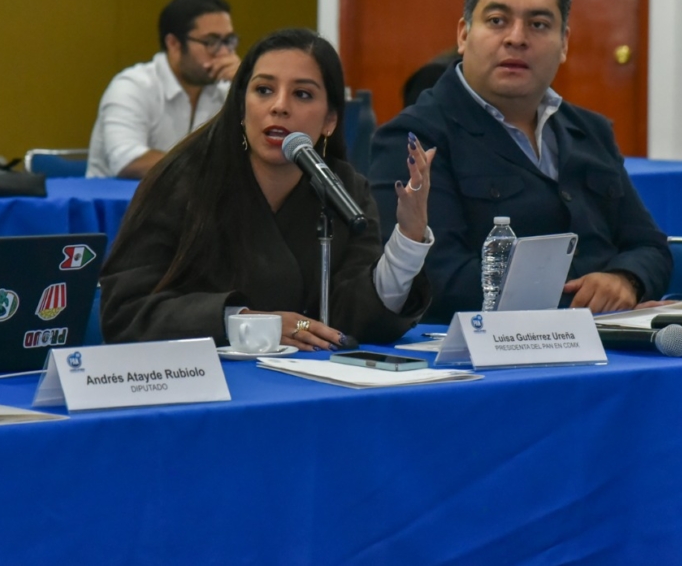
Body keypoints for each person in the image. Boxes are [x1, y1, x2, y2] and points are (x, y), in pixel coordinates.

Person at [368, 0, 671, 324]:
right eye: (497, 21)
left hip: (611, 335)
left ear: (564, 43)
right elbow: (435, 279)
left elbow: (650, 246)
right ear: (464, 34)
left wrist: (625, 280)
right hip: (492, 347)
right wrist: (582, 304)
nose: (516, 38)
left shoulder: (590, 131)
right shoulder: (414, 137)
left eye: (538, 25)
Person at [99, 28, 434, 348]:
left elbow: (353, 317)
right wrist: (248, 323)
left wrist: (408, 240)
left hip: (308, 376)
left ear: (330, 120)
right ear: (241, 106)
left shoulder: (343, 189)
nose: (279, 106)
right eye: (263, 90)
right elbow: (125, 312)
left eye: (302, 94)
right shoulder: (181, 181)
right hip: (202, 377)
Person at [86, 0, 241, 178]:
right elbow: (128, 162)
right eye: (211, 42)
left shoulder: (227, 89)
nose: (224, 53)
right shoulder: (132, 87)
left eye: (228, 41)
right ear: (174, 44)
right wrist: (209, 166)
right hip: (120, 196)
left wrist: (245, 85)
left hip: (191, 196)